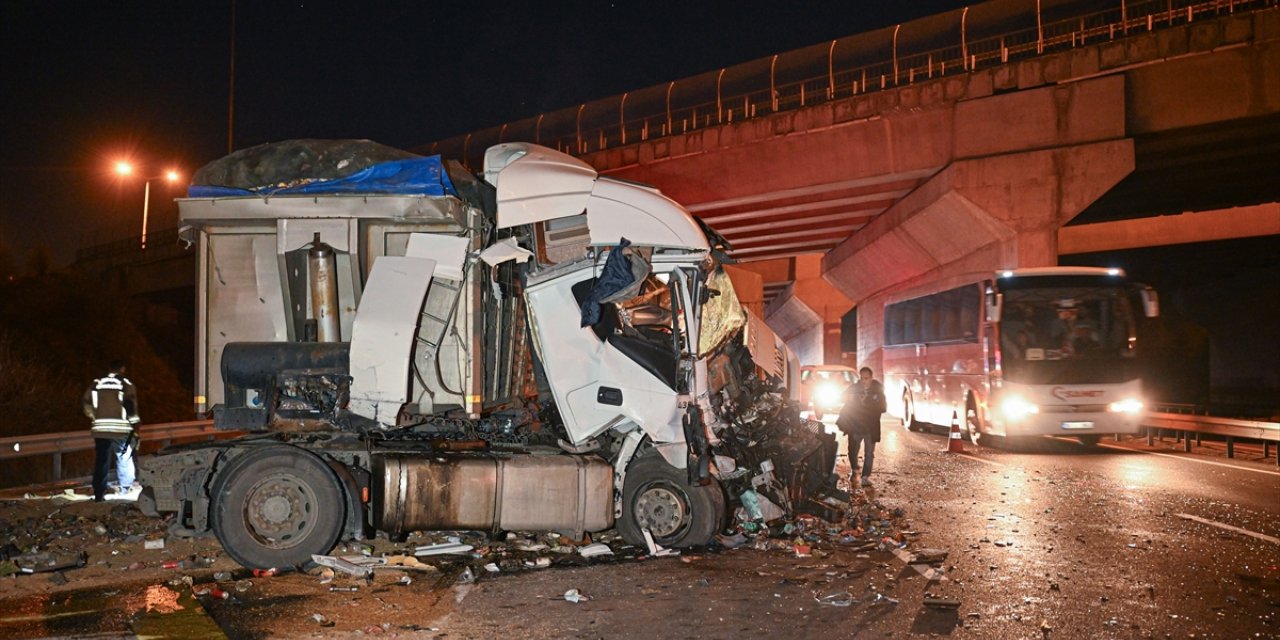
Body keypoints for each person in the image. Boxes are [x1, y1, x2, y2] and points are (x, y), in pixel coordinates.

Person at [82, 359, 140, 501]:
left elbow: (86, 403)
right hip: (121, 429)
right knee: (124, 456)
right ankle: (125, 489)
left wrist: (95, 416)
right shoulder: (126, 384)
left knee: (101, 460)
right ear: (122, 369)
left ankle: (99, 493)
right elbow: (129, 405)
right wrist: (135, 424)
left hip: (101, 429)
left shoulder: (96, 383)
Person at [835, 366, 887, 488]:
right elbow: (842, 397)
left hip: (870, 427)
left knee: (869, 453)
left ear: (871, 378)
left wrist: (872, 404)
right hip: (855, 426)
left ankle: (865, 477)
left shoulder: (878, 391)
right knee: (852, 451)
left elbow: (884, 408)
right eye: (862, 378)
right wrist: (850, 398)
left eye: (867, 378)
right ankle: (854, 469)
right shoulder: (854, 388)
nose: (864, 381)